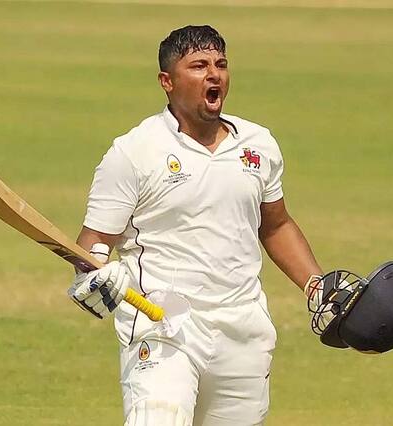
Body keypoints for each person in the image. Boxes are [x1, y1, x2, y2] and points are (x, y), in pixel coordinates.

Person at [68, 25, 323, 426]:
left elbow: (275, 225)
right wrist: (95, 270)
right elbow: (95, 241)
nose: (214, 74)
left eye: (220, 64)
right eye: (199, 66)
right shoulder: (134, 152)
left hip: (243, 332)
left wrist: (316, 285)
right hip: (163, 326)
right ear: (166, 82)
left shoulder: (258, 144)